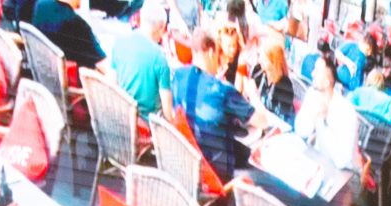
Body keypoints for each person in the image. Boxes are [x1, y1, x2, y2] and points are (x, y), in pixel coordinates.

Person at [171, 27, 270, 180]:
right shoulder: (221, 90)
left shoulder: (178, 76)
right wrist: (253, 94)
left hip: (187, 157)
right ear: (211, 52)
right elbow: (263, 122)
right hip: (216, 171)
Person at [109, 0, 175, 121]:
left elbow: (112, 85)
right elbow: (168, 114)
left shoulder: (119, 42)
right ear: (162, 28)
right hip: (147, 125)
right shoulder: (160, 57)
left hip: (122, 118)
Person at [22, 0, 105, 70]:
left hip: (45, 72)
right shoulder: (76, 23)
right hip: (75, 80)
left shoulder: (40, 5)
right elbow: (102, 65)